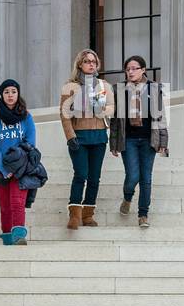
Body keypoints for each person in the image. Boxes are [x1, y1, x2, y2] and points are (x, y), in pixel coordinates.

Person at [109, 54, 169, 228]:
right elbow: (114, 120)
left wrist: (163, 142)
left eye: (134, 68)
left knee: (146, 179)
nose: (130, 71)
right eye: (127, 69)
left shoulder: (154, 88)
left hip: (149, 140)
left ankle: (143, 214)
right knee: (132, 176)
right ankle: (127, 197)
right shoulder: (119, 89)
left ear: (143, 70)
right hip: (128, 140)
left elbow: (161, 117)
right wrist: (113, 143)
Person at [59, 48, 114, 230]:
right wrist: (70, 136)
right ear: (80, 65)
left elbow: (112, 109)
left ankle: (88, 214)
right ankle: (74, 214)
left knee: (94, 177)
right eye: (87, 61)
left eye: (93, 61)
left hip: (98, 136)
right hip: (79, 136)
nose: (91, 64)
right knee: (80, 174)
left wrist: (100, 107)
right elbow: (64, 114)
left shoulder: (104, 85)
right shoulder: (70, 86)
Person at [0, 79, 36, 244]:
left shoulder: (27, 117)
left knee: (17, 202)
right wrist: (2, 168)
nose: (10, 95)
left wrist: (16, 167)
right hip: (0, 170)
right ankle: (8, 239)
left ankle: (19, 236)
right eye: (6, 92)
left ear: (18, 94)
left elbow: (30, 143)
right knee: (5, 206)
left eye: (13, 92)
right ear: (2, 94)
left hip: (21, 169)